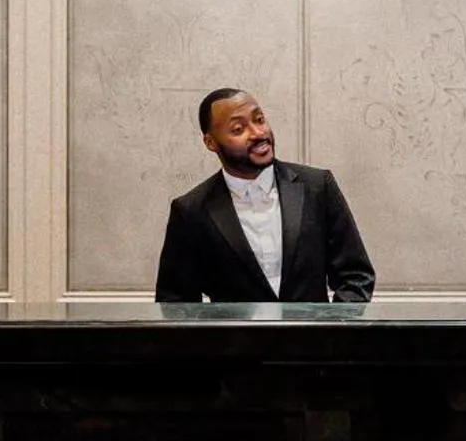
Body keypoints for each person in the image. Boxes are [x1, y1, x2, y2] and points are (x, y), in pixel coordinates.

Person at [152, 88, 376, 303]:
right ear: (211, 142)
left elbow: (355, 275)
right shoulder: (191, 210)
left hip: (316, 341)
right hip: (233, 343)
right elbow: (175, 302)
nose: (258, 133)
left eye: (259, 120)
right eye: (238, 129)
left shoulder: (317, 187)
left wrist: (334, 335)